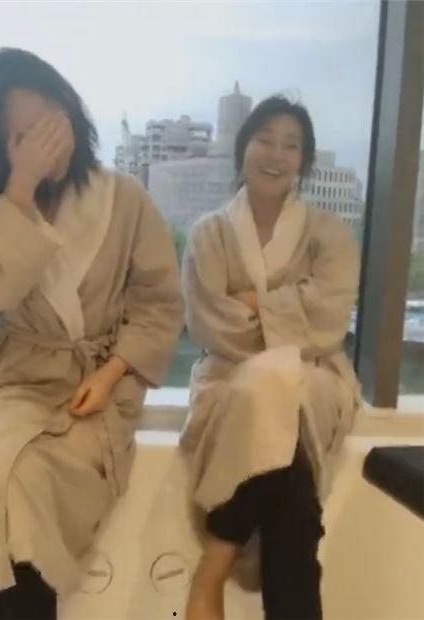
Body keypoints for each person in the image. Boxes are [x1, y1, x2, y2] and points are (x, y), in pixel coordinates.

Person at [0, 47, 184, 619]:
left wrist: (111, 374)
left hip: (97, 386)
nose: (46, 143)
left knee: (33, 479)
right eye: (23, 135)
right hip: (16, 378)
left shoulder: (124, 198)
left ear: (71, 112)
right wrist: (21, 188)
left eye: (51, 122)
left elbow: (159, 304)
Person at [180, 95, 361, 620]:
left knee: (272, 391)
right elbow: (211, 323)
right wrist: (290, 311)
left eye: (291, 145)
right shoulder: (209, 235)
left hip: (316, 381)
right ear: (244, 147)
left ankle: (212, 566)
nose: (276, 154)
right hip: (228, 381)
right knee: (292, 490)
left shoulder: (330, 235)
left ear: (303, 160)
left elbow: (330, 319)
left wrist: (257, 304)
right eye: (265, 139)